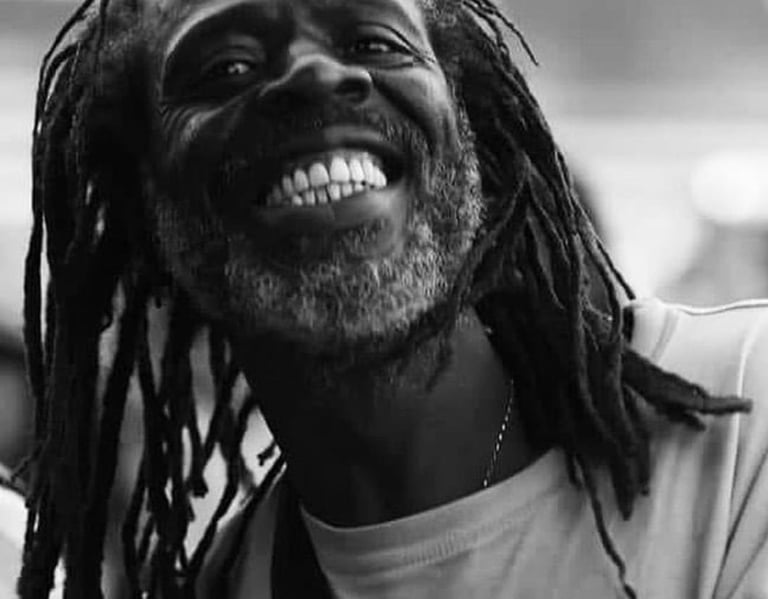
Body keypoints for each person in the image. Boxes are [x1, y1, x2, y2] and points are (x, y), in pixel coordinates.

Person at [17, 0, 768, 597]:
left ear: (474, 134)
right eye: (227, 66)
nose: (317, 75)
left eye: (375, 41)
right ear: (143, 210)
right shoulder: (233, 578)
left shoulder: (745, 417)